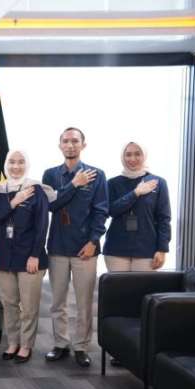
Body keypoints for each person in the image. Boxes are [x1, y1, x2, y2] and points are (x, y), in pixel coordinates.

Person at [42, 127, 108, 368]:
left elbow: (101, 211)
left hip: (85, 249)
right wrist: (74, 184)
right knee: (57, 301)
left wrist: (93, 242)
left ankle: (81, 346)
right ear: (60, 145)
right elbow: (51, 205)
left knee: (84, 302)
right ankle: (60, 343)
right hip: (58, 247)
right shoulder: (50, 175)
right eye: (66, 141)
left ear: (83, 144)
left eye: (75, 141)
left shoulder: (97, 175)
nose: (70, 145)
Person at [0, 150, 53, 364]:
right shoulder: (0, 190)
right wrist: (14, 202)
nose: (16, 166)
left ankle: (26, 345)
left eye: (20, 162)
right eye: (12, 162)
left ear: (27, 165)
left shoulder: (36, 190)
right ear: (6, 165)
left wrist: (35, 255)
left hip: (29, 257)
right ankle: (12, 342)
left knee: (28, 307)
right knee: (9, 304)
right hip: (4, 258)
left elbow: (42, 225)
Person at [103, 141, 171, 271]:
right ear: (123, 157)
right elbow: (111, 210)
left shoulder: (158, 182)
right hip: (116, 248)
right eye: (128, 154)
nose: (132, 159)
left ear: (144, 155)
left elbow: (164, 218)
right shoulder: (112, 183)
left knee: (143, 285)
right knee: (117, 285)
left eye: (137, 154)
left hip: (147, 249)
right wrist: (136, 193)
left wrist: (162, 249)